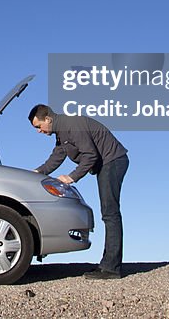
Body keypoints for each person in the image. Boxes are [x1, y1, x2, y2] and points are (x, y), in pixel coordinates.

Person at [29, 104, 129, 280]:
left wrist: (71, 177)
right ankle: (108, 264)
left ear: (48, 119)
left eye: (39, 126)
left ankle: (112, 268)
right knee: (108, 214)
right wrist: (37, 173)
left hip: (113, 161)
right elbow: (56, 157)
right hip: (105, 164)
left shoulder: (72, 125)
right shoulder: (61, 133)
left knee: (110, 213)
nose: (38, 131)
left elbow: (91, 155)